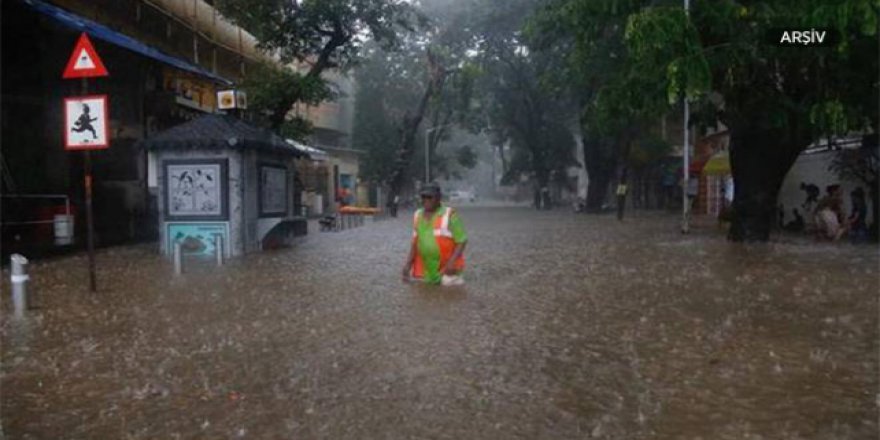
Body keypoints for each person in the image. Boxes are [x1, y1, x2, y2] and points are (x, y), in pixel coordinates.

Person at [402, 183, 468, 286]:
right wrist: (408, 264)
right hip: (427, 271)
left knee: (448, 292)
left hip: (447, 270)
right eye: (423, 197)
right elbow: (415, 242)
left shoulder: (449, 214)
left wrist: (451, 263)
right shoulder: (417, 215)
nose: (426, 200)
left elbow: (462, 240)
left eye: (429, 197)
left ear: (438, 198)